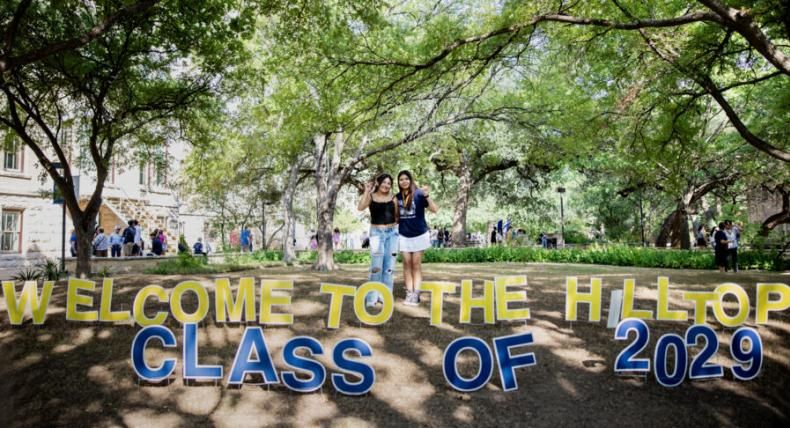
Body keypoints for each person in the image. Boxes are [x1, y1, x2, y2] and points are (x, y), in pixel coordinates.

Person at [396, 170, 438, 306]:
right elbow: (395, 216)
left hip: (420, 234)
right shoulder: (397, 197)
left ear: (410, 180)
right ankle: (409, 293)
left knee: (416, 264)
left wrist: (427, 195)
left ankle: (416, 293)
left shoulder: (419, 193)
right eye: (401, 179)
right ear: (398, 182)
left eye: (406, 179)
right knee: (406, 265)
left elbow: (434, 209)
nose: (404, 181)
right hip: (403, 235)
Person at [357, 173, 399, 308]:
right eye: (384, 182)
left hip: (392, 234)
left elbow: (397, 215)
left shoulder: (393, 198)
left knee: (389, 268)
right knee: (376, 267)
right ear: (378, 183)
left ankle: (385, 296)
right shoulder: (371, 196)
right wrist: (366, 191)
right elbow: (360, 207)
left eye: (389, 183)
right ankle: (372, 298)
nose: (386, 185)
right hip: (376, 234)